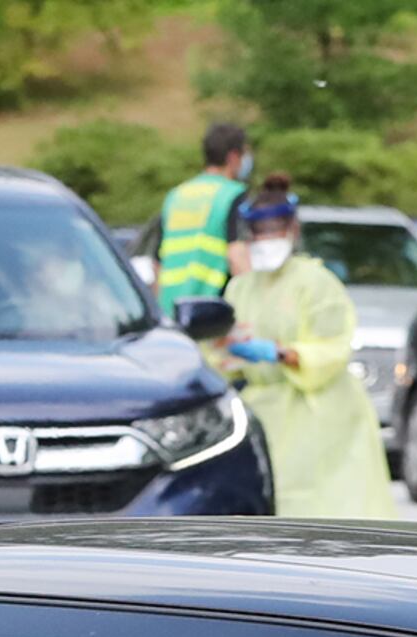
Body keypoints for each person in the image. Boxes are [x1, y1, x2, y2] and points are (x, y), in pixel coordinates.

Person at [218, 181, 393, 520]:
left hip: (320, 413)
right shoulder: (241, 288)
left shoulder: (316, 282)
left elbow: (333, 346)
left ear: (292, 229)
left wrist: (283, 353)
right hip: (263, 410)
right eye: (259, 231)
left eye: (274, 230)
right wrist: (228, 354)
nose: (266, 239)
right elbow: (219, 351)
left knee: (325, 508)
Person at [153, 122, 251, 308]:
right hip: (210, 309)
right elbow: (236, 254)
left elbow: (158, 263)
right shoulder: (232, 194)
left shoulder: (176, 196)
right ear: (233, 157)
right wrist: (255, 301)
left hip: (170, 309)